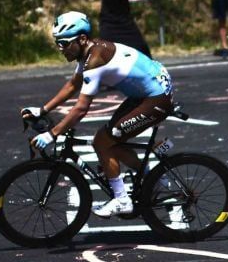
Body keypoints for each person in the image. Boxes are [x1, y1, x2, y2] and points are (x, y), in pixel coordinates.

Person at [24, 11, 174, 218]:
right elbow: (73, 84)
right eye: (57, 43)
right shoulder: (88, 52)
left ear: (82, 39)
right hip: (147, 92)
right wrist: (43, 110)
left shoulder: (95, 61)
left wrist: (52, 134)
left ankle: (122, 200)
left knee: (103, 142)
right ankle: (153, 177)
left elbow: (81, 109)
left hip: (156, 98)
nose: (60, 49)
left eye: (64, 43)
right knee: (110, 139)